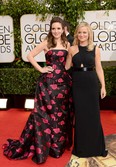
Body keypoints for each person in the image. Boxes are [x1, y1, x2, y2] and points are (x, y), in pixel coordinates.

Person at [3, 16, 73, 164]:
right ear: (50, 29)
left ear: (63, 30)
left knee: (61, 116)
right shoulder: (47, 42)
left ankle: (57, 147)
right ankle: (46, 147)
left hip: (63, 86)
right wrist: (41, 69)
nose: (56, 31)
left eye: (58, 28)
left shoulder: (67, 44)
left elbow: (67, 66)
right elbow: (30, 55)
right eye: (53, 28)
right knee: (46, 115)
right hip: (47, 85)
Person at [65, 22, 108, 166]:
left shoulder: (95, 49)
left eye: (85, 32)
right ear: (76, 34)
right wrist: (65, 52)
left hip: (91, 83)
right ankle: (82, 148)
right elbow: (66, 67)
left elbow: (99, 69)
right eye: (80, 32)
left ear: (89, 34)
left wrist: (103, 86)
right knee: (81, 116)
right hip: (77, 85)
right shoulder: (72, 48)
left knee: (93, 115)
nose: (82, 35)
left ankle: (96, 147)